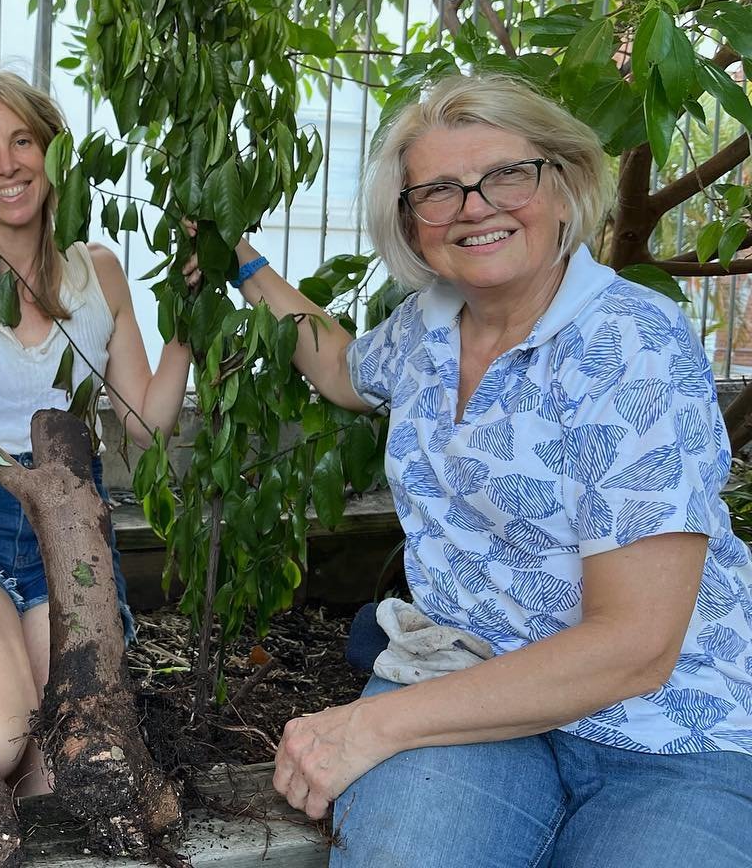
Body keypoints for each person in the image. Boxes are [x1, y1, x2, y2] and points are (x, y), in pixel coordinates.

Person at [235, 74, 752, 866]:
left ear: (564, 186)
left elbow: (637, 646)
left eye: (506, 174)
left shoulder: (629, 346)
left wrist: (365, 727)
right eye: (438, 190)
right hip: (467, 684)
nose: (475, 206)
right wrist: (243, 266)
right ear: (411, 225)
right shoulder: (428, 325)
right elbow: (340, 366)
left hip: (667, 729)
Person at [0, 71, 194, 794]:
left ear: (54, 153)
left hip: (68, 528)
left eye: (23, 141)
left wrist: (188, 315)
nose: (8, 165)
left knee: (60, 776)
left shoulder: (101, 274)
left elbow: (147, 425)